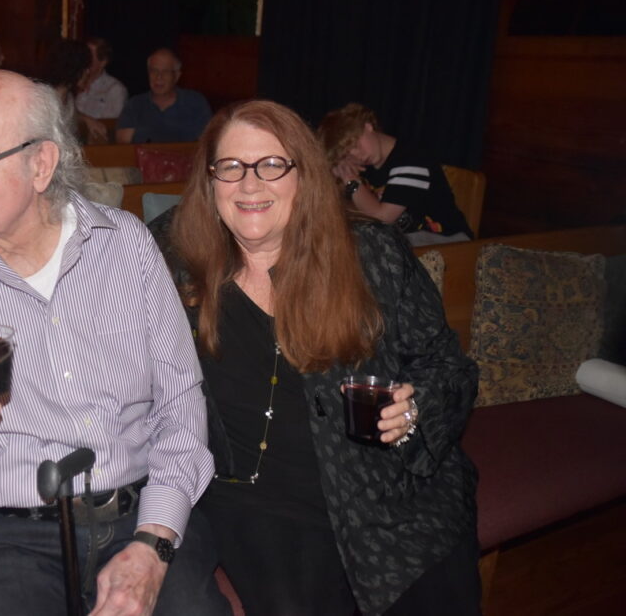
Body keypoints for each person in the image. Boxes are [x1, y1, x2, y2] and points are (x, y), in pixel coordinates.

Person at [0, 70, 230, 616]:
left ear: (41, 164)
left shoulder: (127, 248)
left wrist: (153, 544)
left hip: (137, 513)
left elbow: (182, 410)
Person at [160, 100, 481, 615]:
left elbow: (449, 367)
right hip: (255, 501)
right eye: (231, 167)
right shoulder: (174, 260)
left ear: (304, 175)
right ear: (209, 179)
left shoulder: (371, 253)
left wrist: (414, 410)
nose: (249, 185)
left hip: (378, 484)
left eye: (271, 165)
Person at [319, 102, 473, 245]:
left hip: (450, 242)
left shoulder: (412, 158)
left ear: (368, 126)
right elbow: (351, 214)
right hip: (405, 242)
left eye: (356, 144)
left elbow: (383, 219)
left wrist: (350, 180)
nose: (357, 156)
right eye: (347, 155)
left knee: (371, 243)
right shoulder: (365, 166)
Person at [116, 48, 211, 144]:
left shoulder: (195, 102)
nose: (158, 77)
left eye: (165, 72)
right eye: (154, 71)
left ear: (176, 76)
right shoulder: (135, 105)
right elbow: (123, 145)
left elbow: (207, 143)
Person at [40, 38, 108, 144]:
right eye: (85, 67)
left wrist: (86, 119)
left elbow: (71, 114)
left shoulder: (68, 98)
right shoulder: (43, 99)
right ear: (73, 68)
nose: (88, 72)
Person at [75, 37, 128, 120]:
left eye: (89, 57)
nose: (84, 60)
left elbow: (110, 126)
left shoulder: (115, 89)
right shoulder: (74, 83)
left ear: (103, 62)